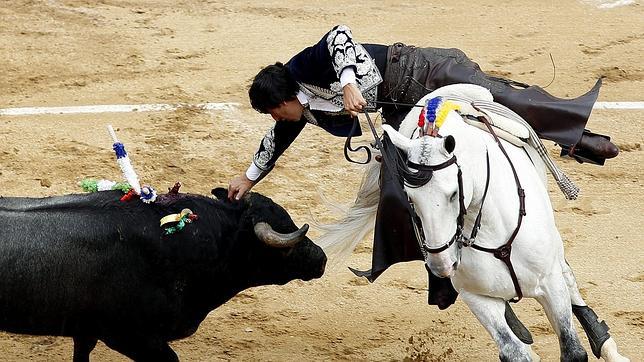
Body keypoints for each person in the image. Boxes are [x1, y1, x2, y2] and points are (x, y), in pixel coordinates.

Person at [227, 25, 619, 308]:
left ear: (281, 99)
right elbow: (275, 142)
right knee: (402, 193)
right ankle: (441, 276)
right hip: (403, 118)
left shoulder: (302, 68)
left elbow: (338, 36)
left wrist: (348, 81)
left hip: (423, 72)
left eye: (274, 112)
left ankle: (574, 137)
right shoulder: (300, 113)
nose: (277, 120)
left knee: (501, 96)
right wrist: (248, 177)